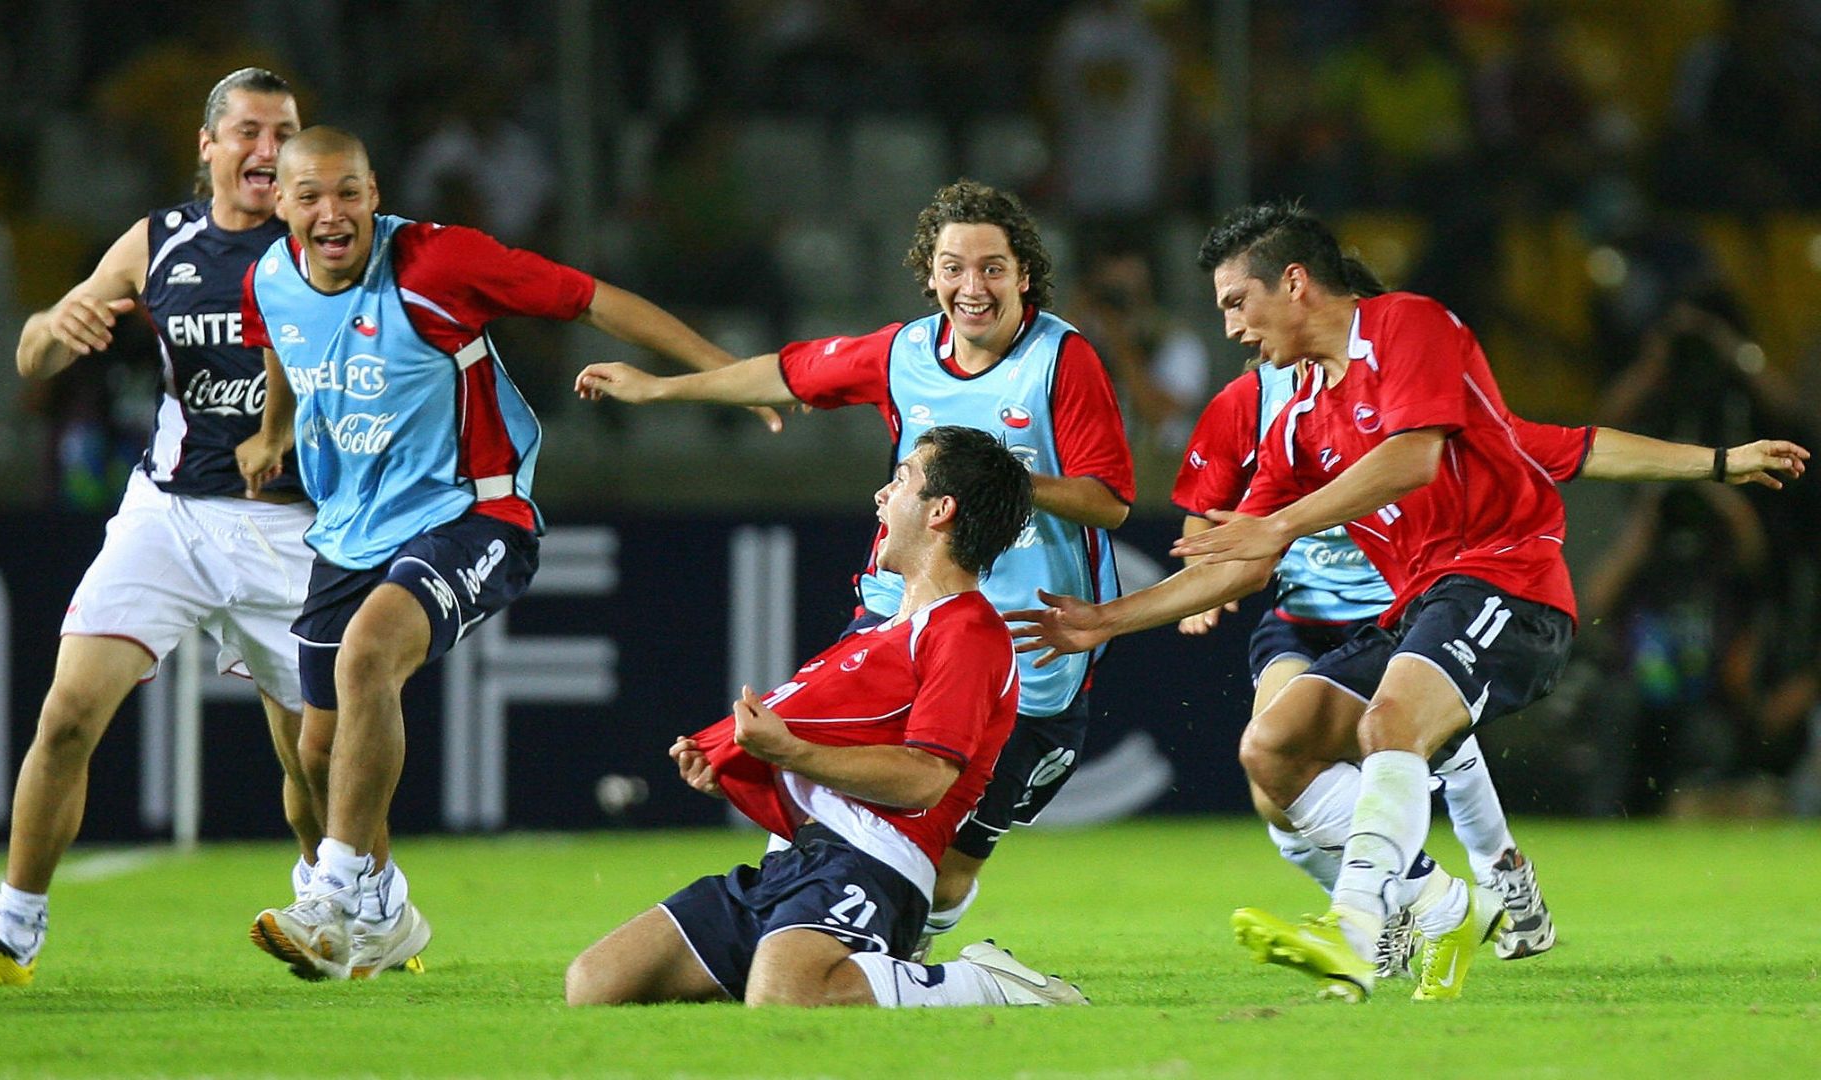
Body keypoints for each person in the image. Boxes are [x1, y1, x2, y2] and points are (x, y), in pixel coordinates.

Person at [1011, 201, 1808, 1003]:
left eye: (1235, 302)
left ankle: (1359, 930)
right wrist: (1108, 620)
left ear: (1293, 283)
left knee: (1391, 722)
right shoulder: (1295, 426)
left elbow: (1416, 459)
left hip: (1510, 582)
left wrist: (1714, 463)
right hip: (1417, 608)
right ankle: (1446, 900)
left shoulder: (1407, 327)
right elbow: (1239, 562)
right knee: (1272, 747)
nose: (1230, 328)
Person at [233, 126, 760, 980]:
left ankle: (328, 893)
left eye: (350, 192)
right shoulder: (267, 279)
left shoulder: (440, 265)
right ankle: (385, 908)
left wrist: (723, 375)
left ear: (375, 192)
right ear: (281, 204)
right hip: (350, 529)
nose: (333, 212)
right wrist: (273, 431)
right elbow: (285, 346)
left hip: (475, 514)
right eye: (310, 196)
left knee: (370, 657)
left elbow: (589, 297)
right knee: (320, 753)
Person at [574, 179, 1135, 959]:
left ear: (1025, 274)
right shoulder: (903, 354)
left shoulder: (1060, 361)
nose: (972, 287)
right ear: (930, 273)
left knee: (948, 872)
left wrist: (990, 481)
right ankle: (790, 936)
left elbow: (1108, 502)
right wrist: (664, 388)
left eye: (993, 268)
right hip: (895, 618)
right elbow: (788, 373)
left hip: (1028, 646)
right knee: (812, 785)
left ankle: (902, 958)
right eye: (953, 267)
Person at [0, 68, 330, 989]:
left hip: (289, 529)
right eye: (251, 133)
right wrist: (56, 324)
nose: (268, 151)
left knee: (315, 768)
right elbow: (34, 350)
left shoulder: (328, 245)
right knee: (65, 718)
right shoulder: (158, 241)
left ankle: (341, 899)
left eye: (285, 133)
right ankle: (11, 936)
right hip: (168, 514)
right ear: (208, 148)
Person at [565, 425, 1086, 1008]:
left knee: (786, 992)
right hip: (795, 858)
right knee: (596, 982)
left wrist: (787, 751)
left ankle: (984, 984)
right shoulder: (882, 635)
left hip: (878, 860)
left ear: (940, 510)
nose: (880, 496)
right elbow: (828, 752)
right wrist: (749, 768)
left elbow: (924, 779)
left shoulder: (969, 632)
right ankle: (832, 971)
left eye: (901, 479)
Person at [1174, 341, 1554, 975]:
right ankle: (1393, 909)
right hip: (1302, 620)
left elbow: (1514, 449)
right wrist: (1202, 578)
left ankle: (1503, 879)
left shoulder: (1399, 392)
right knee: (1273, 782)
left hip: (1397, 611)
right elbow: (1200, 510)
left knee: (1431, 745)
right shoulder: (1249, 402)